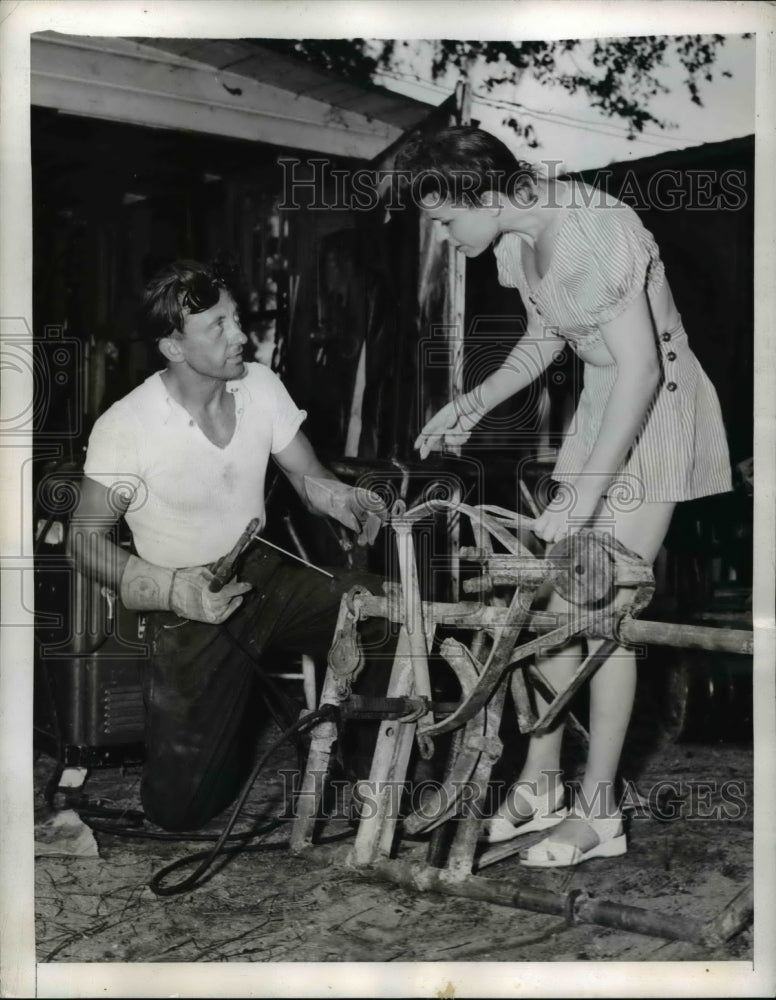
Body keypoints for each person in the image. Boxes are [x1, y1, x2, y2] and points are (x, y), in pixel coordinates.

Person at [396, 126, 731, 867]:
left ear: (482, 195)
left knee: (599, 604)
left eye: (447, 222)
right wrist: (471, 403)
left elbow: (642, 372)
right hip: (604, 405)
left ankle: (601, 812)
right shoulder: (519, 238)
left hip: (656, 406)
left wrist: (585, 500)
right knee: (549, 609)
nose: (447, 240)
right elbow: (546, 338)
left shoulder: (595, 230)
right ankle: (542, 781)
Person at [68, 259, 390, 832]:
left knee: (382, 613)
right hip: (190, 598)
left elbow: (308, 477)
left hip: (265, 574)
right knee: (182, 810)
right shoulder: (129, 425)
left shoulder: (259, 386)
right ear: (172, 346)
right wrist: (174, 589)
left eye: (236, 318)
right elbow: (84, 544)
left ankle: (372, 774)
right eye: (217, 326)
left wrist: (347, 501)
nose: (240, 335)